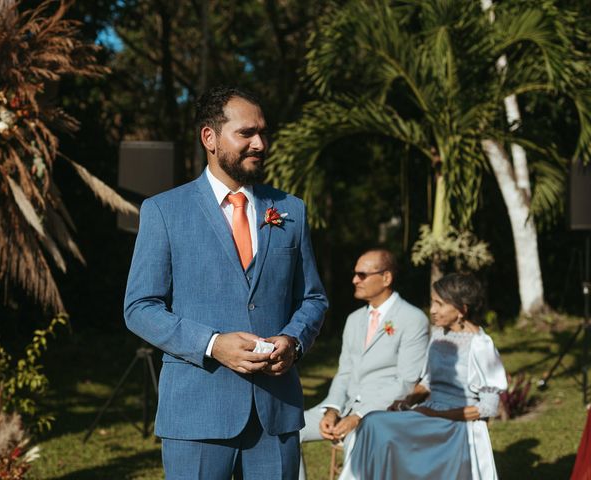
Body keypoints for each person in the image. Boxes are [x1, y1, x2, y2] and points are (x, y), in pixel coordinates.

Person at [124, 86, 328, 479]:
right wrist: (213, 344)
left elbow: (313, 298)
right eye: (246, 133)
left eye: (263, 133)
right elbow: (140, 308)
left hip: (276, 413)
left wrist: (295, 341)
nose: (260, 144)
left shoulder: (290, 210)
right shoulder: (164, 211)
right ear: (210, 138)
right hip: (197, 414)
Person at [338, 272, 508, 480]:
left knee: (376, 425)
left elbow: (488, 407)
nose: (433, 310)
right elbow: (428, 382)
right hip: (428, 414)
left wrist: (437, 415)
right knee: (372, 421)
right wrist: (406, 401)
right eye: (432, 303)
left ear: (462, 309)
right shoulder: (438, 336)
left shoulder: (481, 345)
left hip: (457, 425)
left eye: (440, 304)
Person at [299, 248, 429, 479]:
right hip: (345, 408)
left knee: (356, 441)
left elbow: (406, 382)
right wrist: (332, 410)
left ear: (386, 277)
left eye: (362, 275)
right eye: (355, 274)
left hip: (383, 413)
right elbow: (344, 373)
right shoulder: (354, 319)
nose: (354, 280)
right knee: (289, 430)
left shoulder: (413, 319)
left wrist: (358, 416)